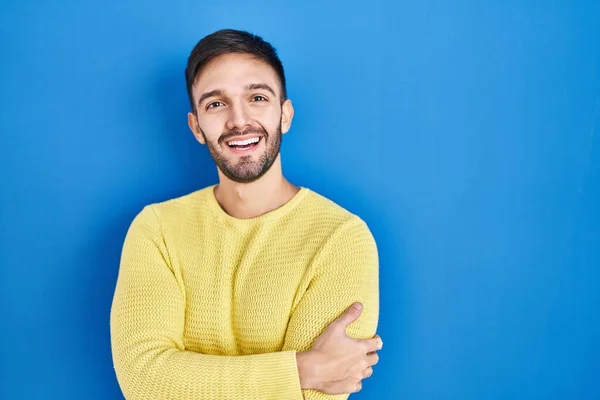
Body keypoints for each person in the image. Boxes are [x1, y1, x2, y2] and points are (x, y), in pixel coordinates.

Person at [110, 28, 382, 400]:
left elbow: (319, 396)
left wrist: (184, 377)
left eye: (257, 97)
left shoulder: (341, 237)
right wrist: (300, 370)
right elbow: (144, 381)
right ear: (196, 127)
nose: (239, 121)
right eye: (216, 104)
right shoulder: (156, 229)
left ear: (284, 115)